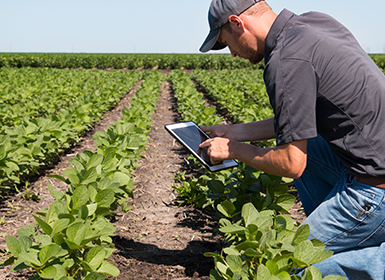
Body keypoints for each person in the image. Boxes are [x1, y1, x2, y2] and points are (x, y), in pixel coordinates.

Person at [198, 0, 385, 278]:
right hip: (370, 165)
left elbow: (290, 164)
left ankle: (372, 260)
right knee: (312, 145)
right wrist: (234, 131)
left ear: (238, 23)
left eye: (227, 44)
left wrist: (234, 149)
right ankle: (340, 238)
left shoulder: (284, 60)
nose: (233, 54)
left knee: (285, 262)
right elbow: (297, 122)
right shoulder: (315, 23)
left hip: (375, 189)